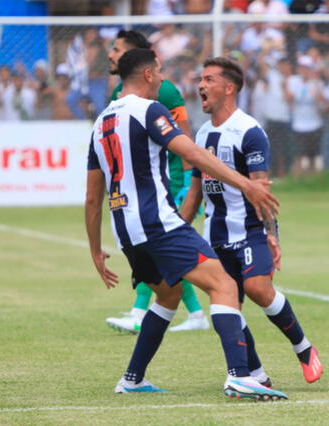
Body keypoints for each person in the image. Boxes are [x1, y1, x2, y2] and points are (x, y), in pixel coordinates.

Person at [85, 48, 287, 400]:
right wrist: (247, 185)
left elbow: (92, 196)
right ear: (148, 74)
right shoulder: (149, 110)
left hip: (126, 230)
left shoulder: (101, 122)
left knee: (168, 294)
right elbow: (192, 153)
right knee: (223, 284)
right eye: (160, 72)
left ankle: (132, 378)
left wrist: (94, 249)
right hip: (158, 223)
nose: (163, 79)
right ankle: (240, 376)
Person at [179, 57, 324, 385]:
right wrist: (175, 232)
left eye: (209, 80)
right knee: (227, 308)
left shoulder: (249, 131)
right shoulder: (201, 134)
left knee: (258, 287)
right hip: (214, 234)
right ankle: (256, 375)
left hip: (250, 230)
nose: (201, 85)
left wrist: (273, 235)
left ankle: (304, 349)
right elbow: (194, 192)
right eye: (201, 79)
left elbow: (262, 190)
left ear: (229, 88)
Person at [103, 30, 209, 333]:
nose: (111, 54)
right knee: (155, 248)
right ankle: (195, 315)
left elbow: (185, 138)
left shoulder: (164, 91)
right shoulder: (118, 96)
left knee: (155, 246)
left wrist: (190, 183)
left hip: (170, 181)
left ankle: (141, 312)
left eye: (117, 49)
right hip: (140, 186)